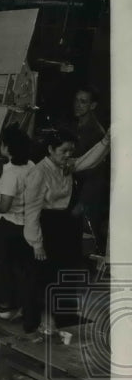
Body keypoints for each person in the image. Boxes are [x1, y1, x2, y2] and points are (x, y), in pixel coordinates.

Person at [29, 128, 110, 335]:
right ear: (50, 149)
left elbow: (87, 160)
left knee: (67, 273)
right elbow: (31, 212)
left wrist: (106, 140)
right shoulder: (40, 172)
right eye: (64, 151)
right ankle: (44, 323)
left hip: (66, 226)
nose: (68, 155)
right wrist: (37, 243)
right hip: (47, 227)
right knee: (48, 277)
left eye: (70, 151)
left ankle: (63, 318)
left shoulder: (66, 165)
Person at [0, 126, 43, 332]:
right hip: (23, 224)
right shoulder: (31, 166)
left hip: (3, 225)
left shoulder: (11, 175)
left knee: (0, 267)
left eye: (3, 143)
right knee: (18, 270)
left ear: (8, 148)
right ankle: (21, 306)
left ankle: (5, 309)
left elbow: (4, 206)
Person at [70, 87, 110, 255]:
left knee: (86, 240)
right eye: (76, 100)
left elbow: (96, 173)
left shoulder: (96, 132)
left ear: (93, 106)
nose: (78, 105)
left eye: (83, 102)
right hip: (74, 189)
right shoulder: (76, 124)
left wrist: (83, 202)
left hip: (87, 194)